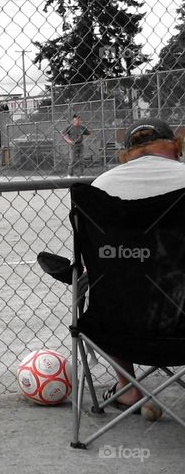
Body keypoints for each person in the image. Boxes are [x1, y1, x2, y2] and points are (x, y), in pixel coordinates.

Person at [90, 117, 185, 422]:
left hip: (120, 326)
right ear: (175, 147)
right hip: (183, 320)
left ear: (128, 153)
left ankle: (127, 388)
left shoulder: (100, 188)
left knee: (110, 286)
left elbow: (91, 267)